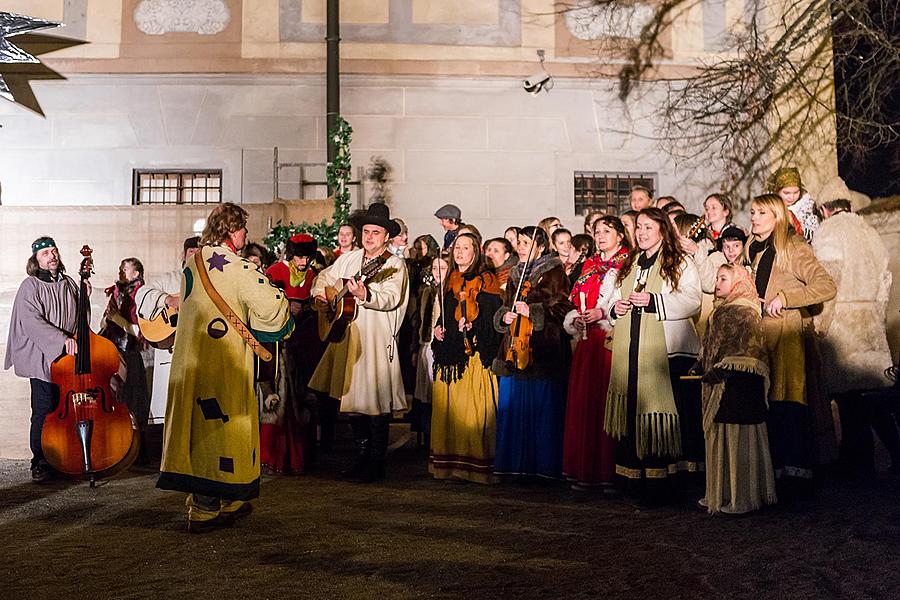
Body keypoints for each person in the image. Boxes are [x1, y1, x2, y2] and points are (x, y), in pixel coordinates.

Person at [157, 203, 293, 533]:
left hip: (192, 363)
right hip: (224, 364)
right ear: (232, 230)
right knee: (223, 429)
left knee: (200, 428)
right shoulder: (236, 267)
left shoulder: (194, 262)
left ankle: (226, 496)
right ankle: (206, 508)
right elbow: (273, 306)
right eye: (243, 228)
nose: (247, 234)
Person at [605, 208, 703, 504]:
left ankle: (667, 484)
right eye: (639, 228)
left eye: (648, 227)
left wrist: (654, 301)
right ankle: (634, 481)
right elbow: (612, 298)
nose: (642, 233)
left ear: (663, 230)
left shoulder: (679, 262)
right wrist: (615, 309)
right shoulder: (629, 264)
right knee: (633, 415)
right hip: (631, 352)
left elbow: (692, 300)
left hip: (667, 353)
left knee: (668, 418)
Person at [309, 202, 409, 483]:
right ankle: (361, 456)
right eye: (366, 231)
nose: (369, 237)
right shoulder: (350, 259)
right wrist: (321, 294)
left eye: (376, 232)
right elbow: (324, 277)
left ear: (386, 236)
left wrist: (366, 294)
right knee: (352, 400)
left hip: (375, 340)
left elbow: (391, 296)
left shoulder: (394, 264)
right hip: (348, 336)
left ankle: (377, 462)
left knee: (374, 402)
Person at [745, 193, 836, 497]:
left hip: (788, 339)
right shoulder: (753, 248)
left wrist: (786, 299)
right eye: (753, 212)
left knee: (790, 406)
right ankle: (772, 477)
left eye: (760, 212)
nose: (754, 217)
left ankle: (796, 481)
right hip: (761, 338)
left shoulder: (793, 247)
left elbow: (825, 285)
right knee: (768, 406)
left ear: (776, 216)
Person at [812, 199, 898, 476]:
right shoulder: (869, 231)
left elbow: (829, 281)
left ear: (825, 208)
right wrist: (877, 316)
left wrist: (820, 325)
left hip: (843, 324)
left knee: (848, 398)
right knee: (873, 395)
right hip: (869, 322)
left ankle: (859, 459)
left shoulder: (829, 232)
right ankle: (884, 454)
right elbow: (885, 280)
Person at [492, 226, 573, 478]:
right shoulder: (515, 273)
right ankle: (514, 464)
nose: (521, 247)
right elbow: (504, 306)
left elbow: (562, 309)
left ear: (540, 246)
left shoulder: (554, 272)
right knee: (512, 408)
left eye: (527, 243)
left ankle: (544, 466)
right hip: (513, 348)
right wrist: (503, 317)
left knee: (542, 411)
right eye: (520, 243)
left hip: (541, 348)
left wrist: (533, 312)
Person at [697, 263, 777, 515]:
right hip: (723, 382)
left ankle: (741, 496)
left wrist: (725, 367)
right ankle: (720, 492)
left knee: (737, 439)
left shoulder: (742, 310)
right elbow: (712, 344)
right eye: (717, 278)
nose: (717, 283)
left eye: (723, 278)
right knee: (722, 438)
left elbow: (750, 348)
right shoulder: (723, 309)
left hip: (738, 386)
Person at [562, 216, 630, 491]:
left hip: (610, 341)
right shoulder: (589, 266)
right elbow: (577, 300)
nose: (601, 236)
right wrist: (575, 319)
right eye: (597, 231)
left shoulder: (626, 264)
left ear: (620, 236)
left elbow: (622, 301)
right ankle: (585, 469)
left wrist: (603, 313)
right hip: (587, 342)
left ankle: (607, 470)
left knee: (605, 404)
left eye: (607, 231)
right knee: (585, 404)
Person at [5, 237, 80, 482]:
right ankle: (40, 461)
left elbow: (80, 317)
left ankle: (63, 458)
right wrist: (61, 339)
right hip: (42, 357)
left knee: (66, 409)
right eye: (46, 253)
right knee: (44, 410)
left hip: (67, 359)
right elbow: (31, 322)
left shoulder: (69, 283)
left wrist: (85, 297)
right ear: (36, 259)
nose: (52, 255)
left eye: (54, 251)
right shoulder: (31, 285)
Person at [430, 234, 503, 483]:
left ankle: (476, 466)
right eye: (457, 248)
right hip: (450, 353)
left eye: (465, 248)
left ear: (476, 252)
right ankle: (450, 465)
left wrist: (474, 324)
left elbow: (493, 320)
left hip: (473, 356)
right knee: (451, 413)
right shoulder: (450, 280)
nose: (459, 252)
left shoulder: (486, 281)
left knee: (473, 413)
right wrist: (439, 329)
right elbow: (445, 316)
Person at [262, 233, 323, 474]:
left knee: (302, 402)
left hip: (306, 345)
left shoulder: (314, 275)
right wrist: (286, 304)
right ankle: (272, 457)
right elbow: (262, 301)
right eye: (299, 257)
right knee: (278, 399)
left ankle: (299, 458)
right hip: (278, 344)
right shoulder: (276, 271)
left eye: (307, 258)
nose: (302, 262)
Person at [135, 237, 201, 426]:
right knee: (167, 410)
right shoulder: (169, 278)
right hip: (170, 350)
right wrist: (167, 300)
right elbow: (142, 293)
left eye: (199, 251)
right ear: (183, 254)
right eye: (191, 251)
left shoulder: (211, 282)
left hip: (197, 352)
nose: (195, 254)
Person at [100, 257, 152, 459]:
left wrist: (117, 319)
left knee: (136, 396)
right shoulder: (116, 291)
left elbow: (141, 330)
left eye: (126, 269)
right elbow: (108, 317)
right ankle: (118, 442)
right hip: (115, 349)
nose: (121, 271)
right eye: (120, 268)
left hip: (134, 350)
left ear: (137, 273)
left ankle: (138, 446)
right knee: (118, 395)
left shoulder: (142, 293)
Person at [412, 254, 450, 447]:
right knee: (425, 394)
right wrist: (414, 348)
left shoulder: (450, 291)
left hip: (441, 347)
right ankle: (428, 438)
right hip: (425, 344)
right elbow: (419, 320)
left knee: (438, 394)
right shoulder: (427, 291)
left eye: (442, 268)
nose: (437, 273)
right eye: (434, 269)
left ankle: (439, 438)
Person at [770, 167, 819, 240]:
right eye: (786, 193)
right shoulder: (769, 205)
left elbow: (815, 232)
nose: (791, 197)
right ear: (777, 191)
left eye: (796, 192)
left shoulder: (807, 207)